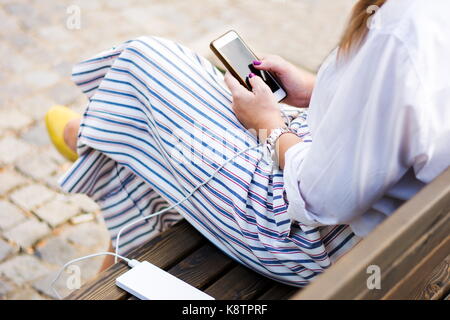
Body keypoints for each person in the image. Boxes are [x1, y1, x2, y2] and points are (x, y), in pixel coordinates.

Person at [45, 0, 450, 286]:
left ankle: (93, 138)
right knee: (163, 109)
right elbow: (402, 117)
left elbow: (323, 199)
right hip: (387, 227)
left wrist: (269, 126)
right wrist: (313, 92)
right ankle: (102, 136)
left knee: (142, 63)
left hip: (312, 239)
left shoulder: (403, 25)